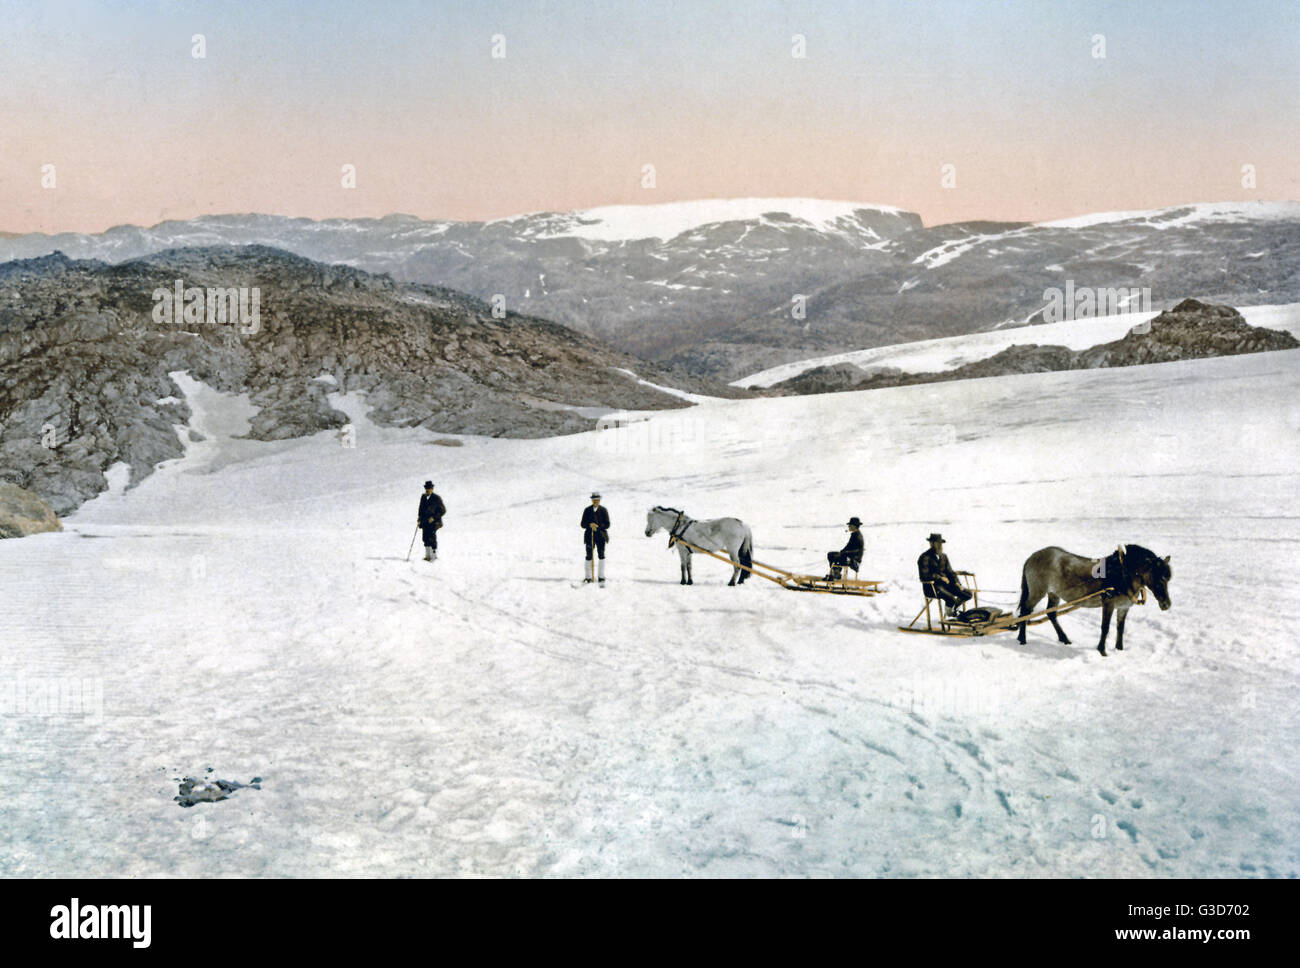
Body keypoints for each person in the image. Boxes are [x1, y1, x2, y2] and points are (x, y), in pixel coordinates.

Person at [918, 532, 972, 616]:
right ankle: (950, 613)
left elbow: (950, 572)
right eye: (936, 543)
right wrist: (939, 578)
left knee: (967, 594)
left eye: (940, 543)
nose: (939, 545)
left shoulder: (944, 556)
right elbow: (924, 576)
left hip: (946, 585)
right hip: (932, 587)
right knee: (951, 598)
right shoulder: (925, 557)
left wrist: (957, 583)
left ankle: (953, 609)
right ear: (931, 543)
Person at [581, 492, 610, 583]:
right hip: (590, 536)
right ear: (592, 500)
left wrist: (598, 526)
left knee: (601, 555)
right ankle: (588, 577)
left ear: (599, 500)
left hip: (601, 536)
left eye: (597, 500)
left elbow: (607, 524)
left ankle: (601, 576)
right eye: (594, 500)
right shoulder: (587, 510)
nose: (595, 501)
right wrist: (590, 525)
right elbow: (582, 524)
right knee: (589, 555)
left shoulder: (604, 510)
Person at [417, 481, 446, 561]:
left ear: (432, 489)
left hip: (434, 522)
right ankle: (427, 555)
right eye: (426, 488)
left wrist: (434, 517)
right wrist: (419, 518)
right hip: (425, 521)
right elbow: (420, 509)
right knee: (425, 538)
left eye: (429, 489)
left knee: (432, 538)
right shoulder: (423, 497)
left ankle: (434, 555)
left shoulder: (437, 498)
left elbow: (443, 510)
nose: (427, 490)